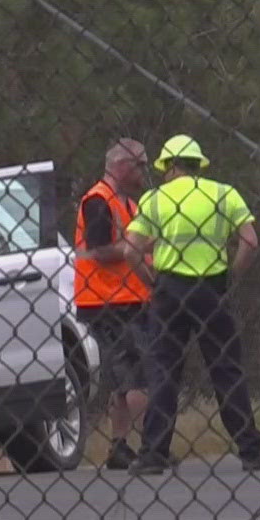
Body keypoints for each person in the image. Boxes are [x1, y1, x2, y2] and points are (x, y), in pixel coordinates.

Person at [120, 134, 260, 476]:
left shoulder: (155, 199)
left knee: (164, 371)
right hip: (211, 288)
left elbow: (130, 251)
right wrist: (231, 275)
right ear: (198, 164)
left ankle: (154, 453)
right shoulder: (223, 193)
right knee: (226, 369)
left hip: (170, 291)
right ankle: (250, 450)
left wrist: (151, 281)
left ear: (170, 165)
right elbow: (250, 241)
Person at [73, 138, 154, 469]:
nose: (145, 172)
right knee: (139, 376)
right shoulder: (97, 201)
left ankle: (119, 446)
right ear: (121, 165)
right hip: (107, 301)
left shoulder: (129, 205)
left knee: (125, 377)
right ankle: (152, 443)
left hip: (130, 298)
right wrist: (135, 246)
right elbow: (100, 251)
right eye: (141, 165)